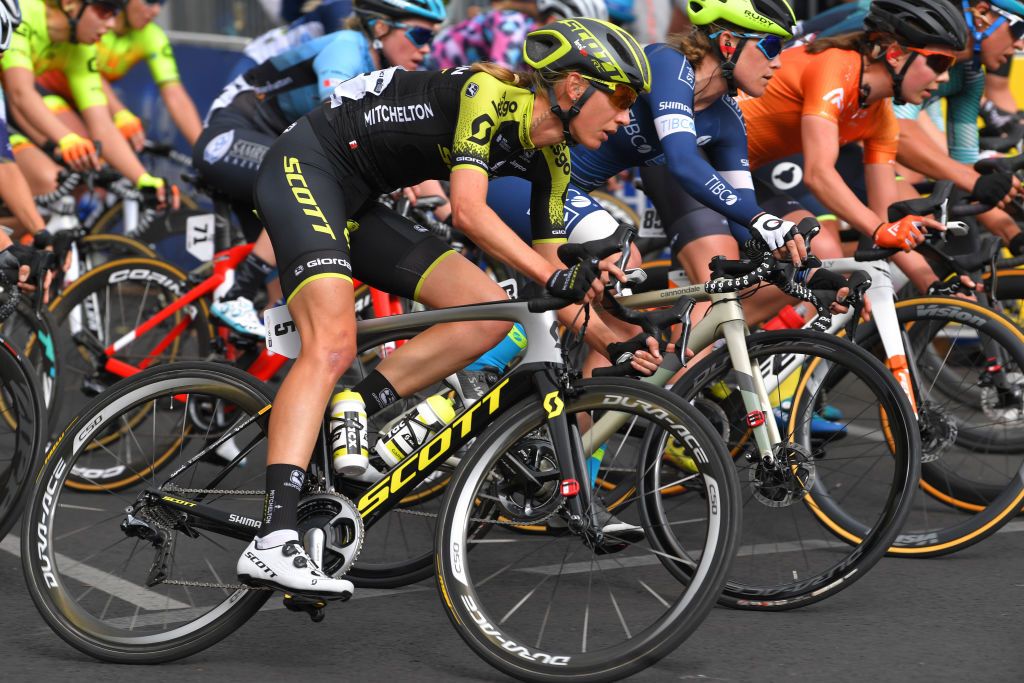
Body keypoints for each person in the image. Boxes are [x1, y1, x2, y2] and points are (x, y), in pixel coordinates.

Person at [235, 18, 652, 597]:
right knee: (332, 344)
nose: (627, 117)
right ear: (575, 87)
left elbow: (556, 280)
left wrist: (617, 340)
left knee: (486, 311)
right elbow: (471, 214)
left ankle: (360, 401)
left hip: (359, 197)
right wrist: (558, 274)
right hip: (306, 167)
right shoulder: (490, 97)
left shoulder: (552, 159)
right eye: (624, 98)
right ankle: (274, 538)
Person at [487, 0, 811, 339]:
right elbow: (684, 162)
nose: (778, 63)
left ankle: (602, 392)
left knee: (631, 338)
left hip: (565, 191)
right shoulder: (667, 63)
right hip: (519, 175)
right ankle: (493, 358)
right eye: (771, 46)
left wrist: (797, 264)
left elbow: (743, 214)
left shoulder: (726, 120)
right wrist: (763, 221)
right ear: (728, 43)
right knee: (623, 259)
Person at [193, 0, 446, 337]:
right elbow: (336, 110)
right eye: (418, 34)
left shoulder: (386, 76)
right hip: (228, 136)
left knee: (293, 259)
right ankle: (236, 293)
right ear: (380, 28)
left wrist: (449, 217)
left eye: (433, 39)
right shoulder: (346, 47)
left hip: (274, 145)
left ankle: (256, 336)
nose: (426, 49)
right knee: (319, 181)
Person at [1, 0, 176, 205]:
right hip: (11, 99)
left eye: (115, 14)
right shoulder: (24, 14)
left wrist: (142, 178)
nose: (111, 23)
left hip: (7, 101)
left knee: (61, 187)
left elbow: (102, 125)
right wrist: (67, 139)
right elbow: (20, 94)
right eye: (104, 11)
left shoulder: (82, 46)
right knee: (46, 182)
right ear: (69, 4)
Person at [34, 0, 204, 147]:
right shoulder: (94, 25)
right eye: (150, 0)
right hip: (46, 92)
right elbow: (94, 75)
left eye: (162, 3)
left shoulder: (152, 36)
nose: (156, 11)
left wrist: (203, 151)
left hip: (89, 103)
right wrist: (120, 113)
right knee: (88, 149)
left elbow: (175, 95)